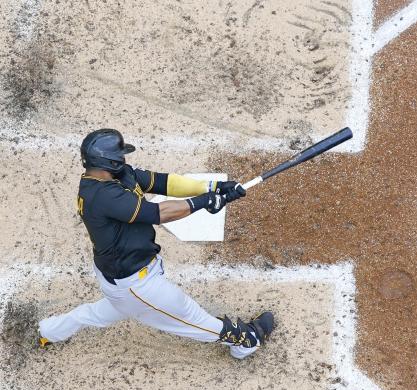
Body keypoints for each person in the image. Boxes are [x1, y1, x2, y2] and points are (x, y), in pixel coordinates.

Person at [38, 129, 274, 360]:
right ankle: (246, 341)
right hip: (135, 285)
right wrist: (203, 202)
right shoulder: (102, 196)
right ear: (108, 162)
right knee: (190, 317)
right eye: (120, 157)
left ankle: (49, 331)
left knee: (102, 312)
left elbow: (163, 182)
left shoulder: (115, 175)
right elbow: (158, 213)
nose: (124, 160)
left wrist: (211, 188)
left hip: (119, 276)